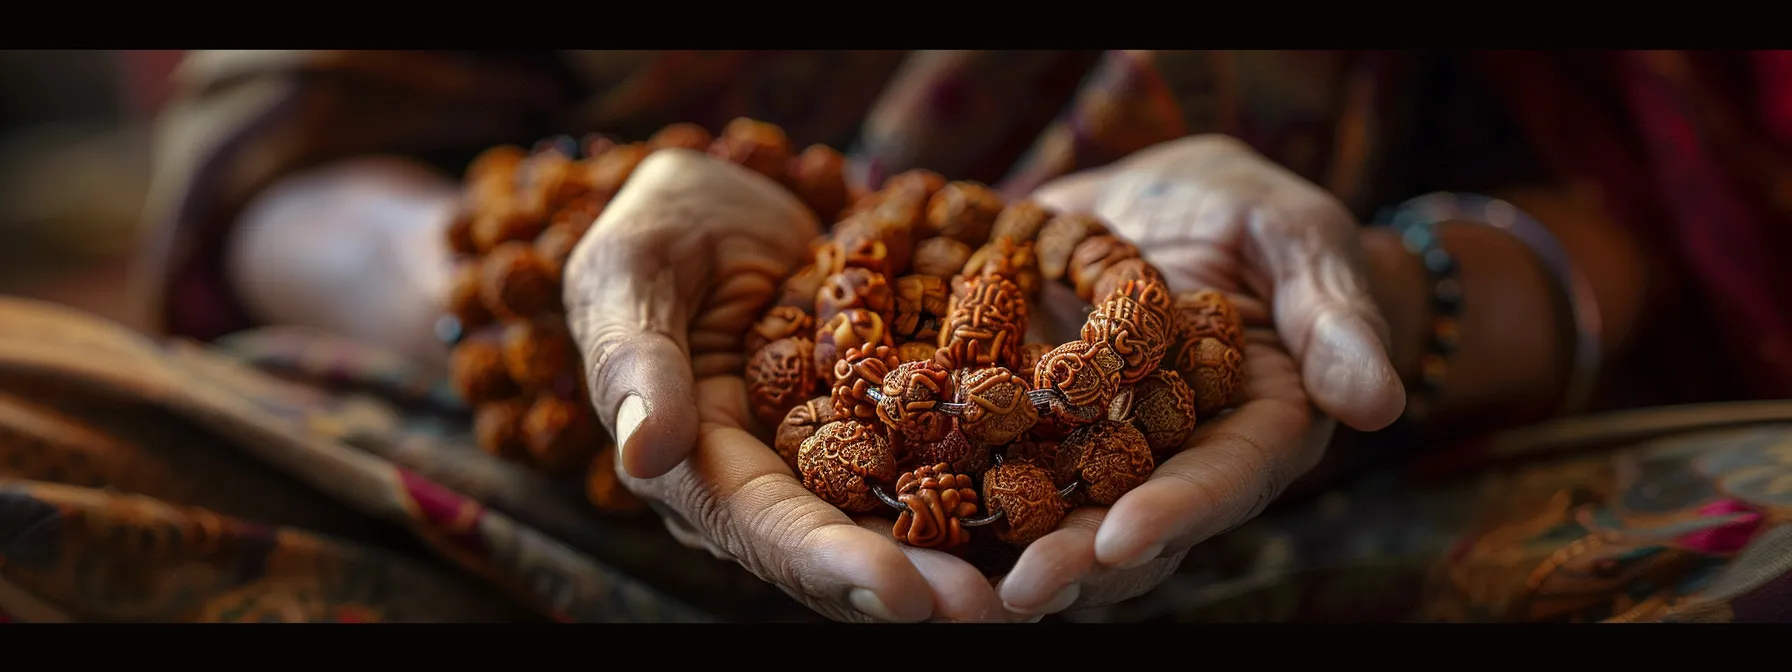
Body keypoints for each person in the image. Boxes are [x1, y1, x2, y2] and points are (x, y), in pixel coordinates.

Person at [5, 50, 1784, 622]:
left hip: (1353, 490)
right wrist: (539, 266)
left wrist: (1389, 304)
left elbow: (1632, 213)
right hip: (519, 439)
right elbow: (285, 184)